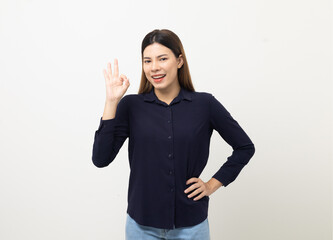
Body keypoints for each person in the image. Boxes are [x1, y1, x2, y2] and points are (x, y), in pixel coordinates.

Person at [92, 29, 255, 240]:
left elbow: (244, 147)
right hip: (141, 227)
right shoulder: (131, 106)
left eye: (162, 59)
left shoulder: (205, 104)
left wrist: (211, 184)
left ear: (179, 61)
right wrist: (111, 102)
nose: (154, 67)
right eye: (147, 61)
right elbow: (100, 159)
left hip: (191, 226)